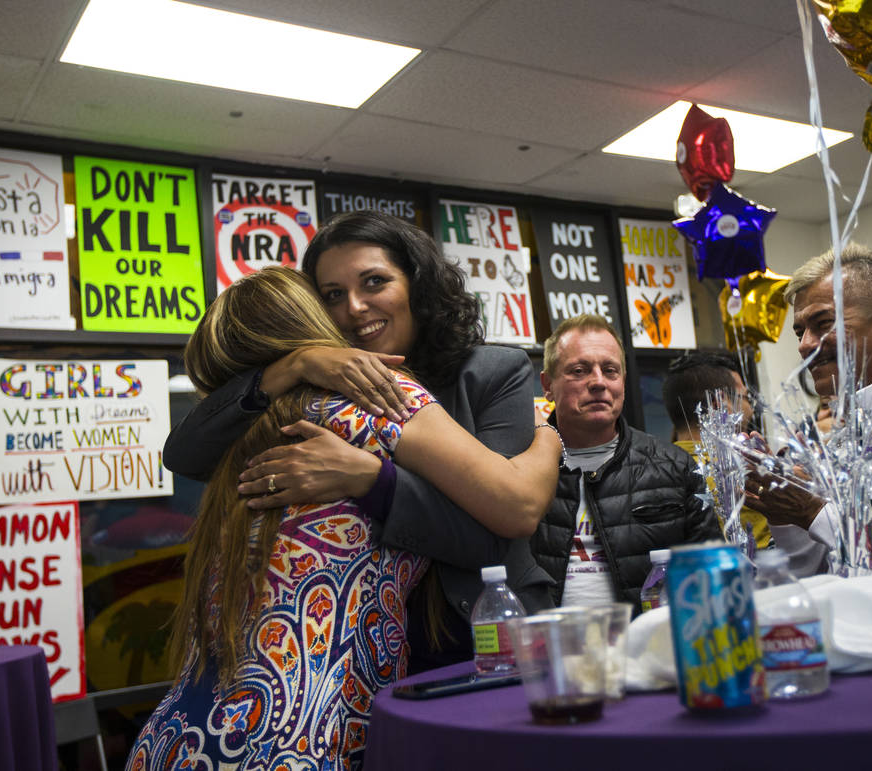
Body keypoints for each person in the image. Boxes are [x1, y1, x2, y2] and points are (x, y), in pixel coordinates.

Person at [127, 267, 561, 771]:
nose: (353, 309)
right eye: (333, 295)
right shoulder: (380, 398)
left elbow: (184, 446)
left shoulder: (230, 445)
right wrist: (549, 431)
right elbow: (517, 506)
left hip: (175, 738)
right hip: (307, 734)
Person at [162, 210, 555, 672]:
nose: (354, 307)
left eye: (373, 282)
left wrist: (371, 479)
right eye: (332, 295)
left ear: (416, 285)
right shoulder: (314, 392)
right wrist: (296, 364)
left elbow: (499, 534)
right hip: (365, 644)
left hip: (483, 624)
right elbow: (184, 452)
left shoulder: (491, 373)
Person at [744, 244, 872, 574]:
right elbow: (814, 571)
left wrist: (813, 512)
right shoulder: (843, 436)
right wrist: (785, 511)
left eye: (822, 323)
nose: (804, 345)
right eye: (799, 332)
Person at [530, 314, 720, 610]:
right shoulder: (518, 469)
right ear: (548, 385)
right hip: (550, 646)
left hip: (652, 645)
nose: (598, 382)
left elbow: (712, 577)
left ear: (623, 381)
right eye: (579, 371)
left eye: (610, 370)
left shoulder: (675, 467)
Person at [661, 349, 772, 551]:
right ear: (718, 403)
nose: (751, 409)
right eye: (746, 398)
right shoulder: (747, 472)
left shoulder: (654, 470)